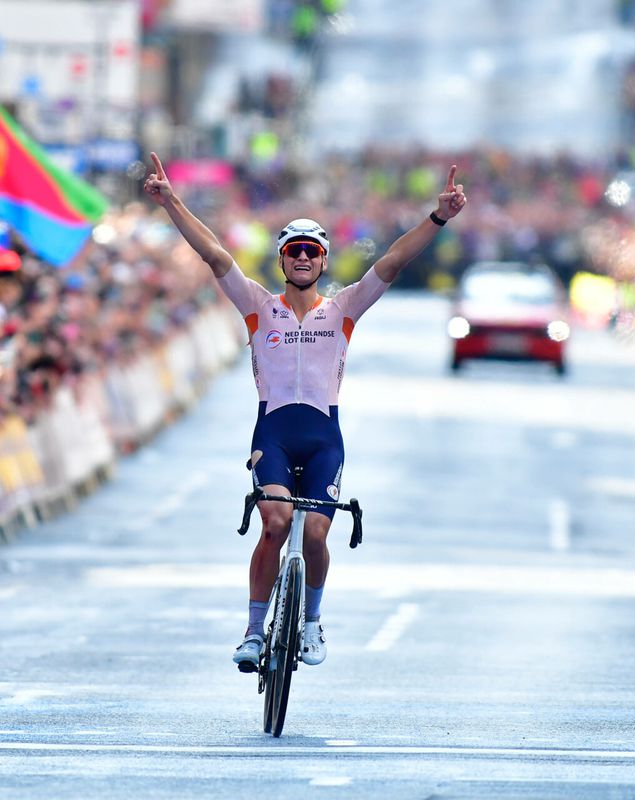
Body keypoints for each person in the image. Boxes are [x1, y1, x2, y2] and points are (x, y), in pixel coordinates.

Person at [143, 152, 466, 671]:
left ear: (322, 261)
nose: (301, 258)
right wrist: (171, 202)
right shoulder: (256, 305)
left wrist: (439, 218)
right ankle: (252, 631)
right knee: (274, 522)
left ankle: (311, 623)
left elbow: (392, 262)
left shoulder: (342, 310)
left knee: (315, 532)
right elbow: (214, 255)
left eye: (311, 251)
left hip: (323, 439)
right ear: (281, 260)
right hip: (271, 435)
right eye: (293, 250)